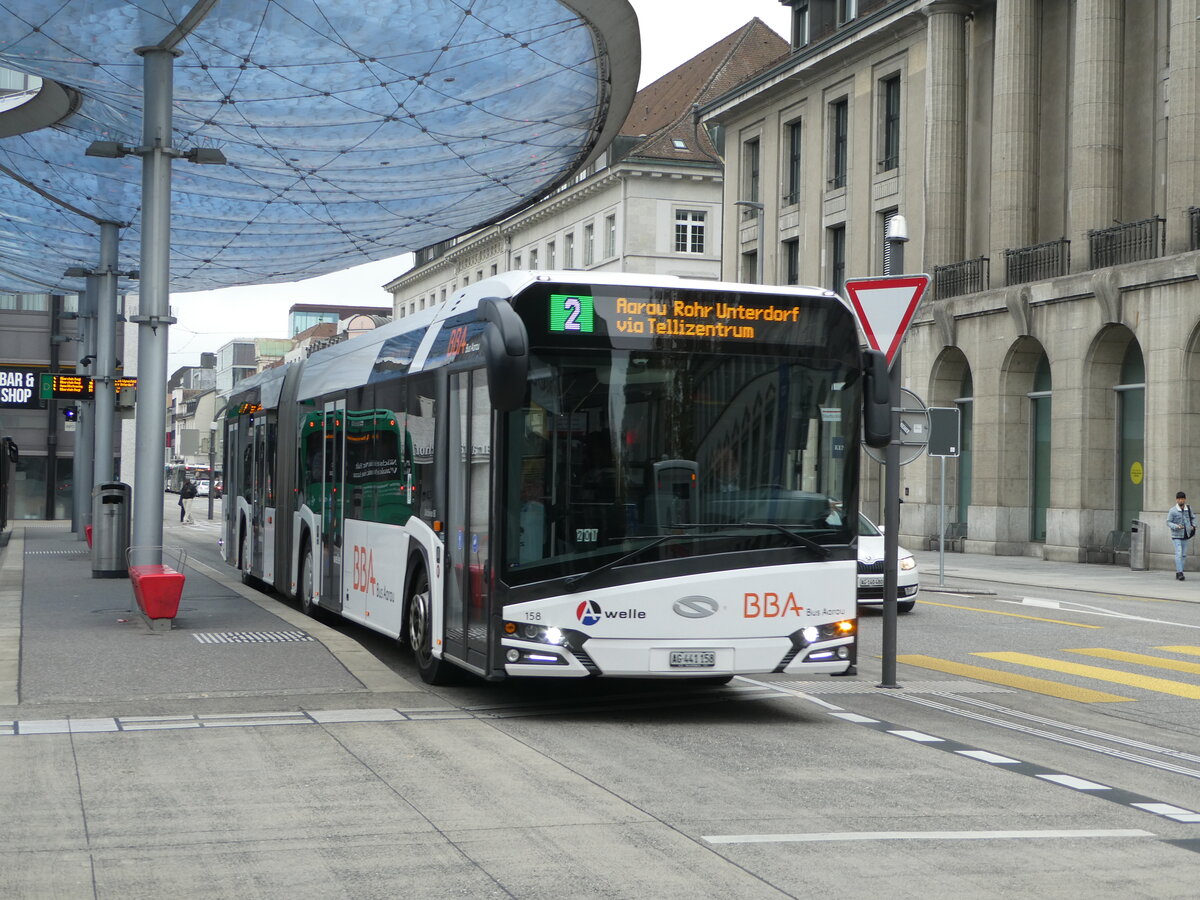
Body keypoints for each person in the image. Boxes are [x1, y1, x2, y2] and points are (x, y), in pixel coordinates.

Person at [1167, 490, 1195, 580]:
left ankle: (1179, 571)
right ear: (1176, 500)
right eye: (1179, 499)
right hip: (1176, 535)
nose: (1181, 501)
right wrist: (1176, 526)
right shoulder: (1172, 510)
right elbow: (1168, 522)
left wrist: (1193, 526)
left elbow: (1193, 518)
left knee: (1183, 555)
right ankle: (1180, 573)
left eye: (1182, 499)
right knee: (1178, 553)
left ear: (1185, 499)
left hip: (1186, 534)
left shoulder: (1189, 509)